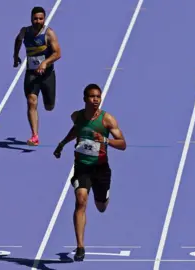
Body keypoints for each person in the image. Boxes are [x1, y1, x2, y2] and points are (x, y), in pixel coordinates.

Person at [53, 83, 127, 261]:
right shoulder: (76, 116)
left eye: (98, 97)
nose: (96, 100)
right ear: (85, 99)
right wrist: (62, 144)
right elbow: (76, 130)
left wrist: (104, 140)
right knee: (80, 201)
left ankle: (103, 196)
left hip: (101, 168)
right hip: (82, 167)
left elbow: (123, 144)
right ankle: (80, 246)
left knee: (100, 207)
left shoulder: (107, 120)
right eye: (92, 97)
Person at [13, 6, 61, 146]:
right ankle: (34, 135)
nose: (38, 21)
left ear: (44, 19)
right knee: (31, 101)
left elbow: (57, 53)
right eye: (35, 18)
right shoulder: (25, 31)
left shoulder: (49, 33)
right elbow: (18, 40)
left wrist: (45, 63)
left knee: (49, 106)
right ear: (31, 19)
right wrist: (15, 56)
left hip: (47, 75)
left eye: (40, 19)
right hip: (31, 73)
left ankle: (49, 102)